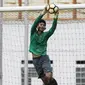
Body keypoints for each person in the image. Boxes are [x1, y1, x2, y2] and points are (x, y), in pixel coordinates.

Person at [29, 6, 59, 85]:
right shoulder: (33, 33)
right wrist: (43, 13)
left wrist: (56, 16)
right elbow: (35, 22)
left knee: (48, 76)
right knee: (45, 80)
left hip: (44, 57)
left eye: (43, 25)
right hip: (35, 60)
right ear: (37, 26)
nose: (42, 26)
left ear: (44, 28)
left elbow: (53, 28)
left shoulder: (46, 35)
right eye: (41, 24)